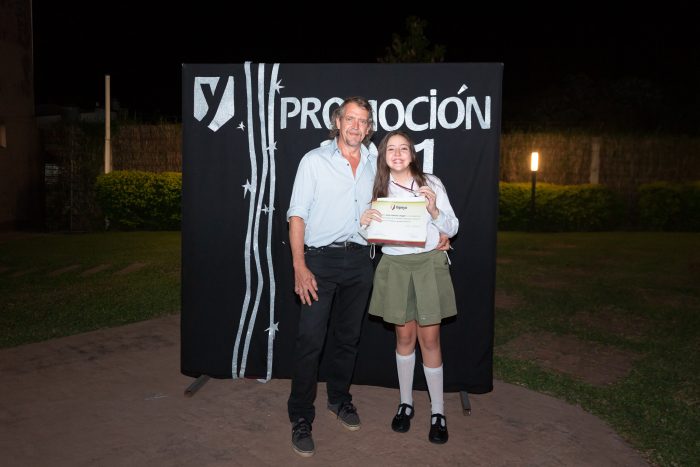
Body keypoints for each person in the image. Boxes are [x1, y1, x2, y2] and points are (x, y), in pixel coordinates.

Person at [286, 96, 376, 457]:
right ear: (337, 122)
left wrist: (436, 230)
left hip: (360, 261)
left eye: (362, 121)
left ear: (369, 129)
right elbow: (297, 215)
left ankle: (339, 399)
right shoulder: (314, 161)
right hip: (319, 262)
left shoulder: (374, 164)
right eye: (350, 119)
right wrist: (299, 265)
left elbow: (397, 204)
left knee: (348, 338)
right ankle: (300, 416)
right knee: (310, 340)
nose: (356, 126)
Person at [360, 129, 459, 444]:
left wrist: (434, 211)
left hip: (429, 264)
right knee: (404, 338)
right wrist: (364, 223)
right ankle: (405, 403)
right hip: (396, 266)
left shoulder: (431, 183)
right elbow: (369, 236)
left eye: (404, 148)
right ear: (384, 156)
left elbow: (452, 226)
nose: (398, 154)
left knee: (430, 340)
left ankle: (438, 411)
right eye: (391, 149)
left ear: (412, 154)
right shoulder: (377, 187)